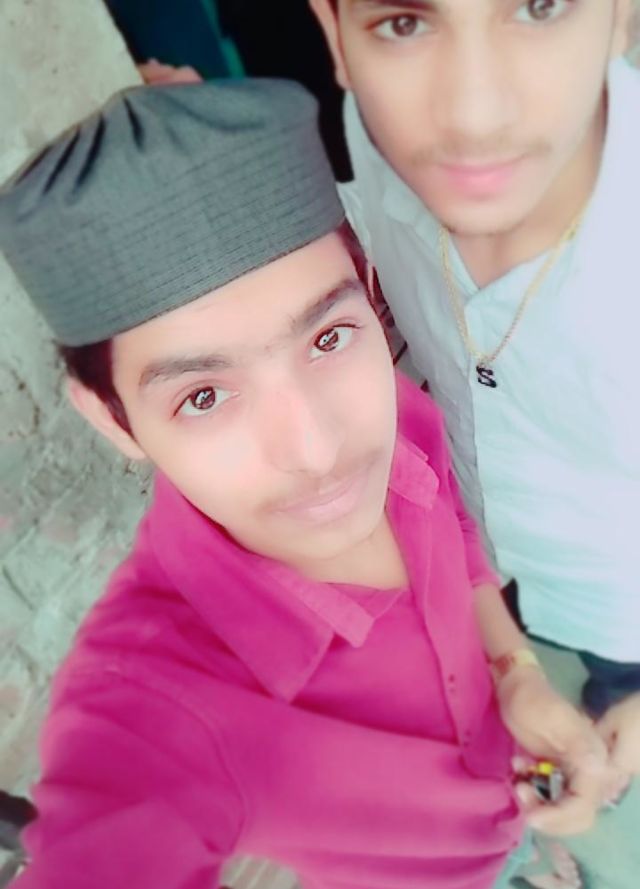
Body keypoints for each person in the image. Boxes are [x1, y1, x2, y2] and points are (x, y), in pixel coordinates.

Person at [0, 78, 613, 889]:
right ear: (112, 419)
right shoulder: (148, 705)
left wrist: (517, 672)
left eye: (328, 336)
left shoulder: (396, 414)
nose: (320, 447)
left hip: (517, 778)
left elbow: (456, 538)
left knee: (524, 849)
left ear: (369, 290)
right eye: (203, 395)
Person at [310, 0, 640, 761]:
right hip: (485, 558)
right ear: (337, 37)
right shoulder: (382, 135)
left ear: (622, 14)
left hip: (621, 605)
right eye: (404, 24)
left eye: (540, 7)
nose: (472, 117)